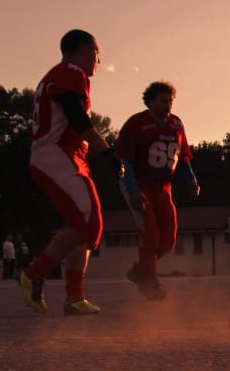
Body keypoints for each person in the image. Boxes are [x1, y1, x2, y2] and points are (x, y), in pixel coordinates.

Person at [19, 29, 144, 315]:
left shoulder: (59, 75)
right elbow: (76, 117)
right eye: (98, 53)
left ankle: (74, 297)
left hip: (64, 155)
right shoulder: (72, 72)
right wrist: (107, 151)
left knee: (85, 228)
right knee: (89, 221)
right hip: (56, 154)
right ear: (86, 49)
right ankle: (33, 274)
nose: (99, 60)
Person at [115, 81, 199, 300]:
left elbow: (182, 158)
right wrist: (133, 189)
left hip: (163, 187)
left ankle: (140, 271)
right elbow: (125, 160)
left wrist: (191, 180)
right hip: (139, 184)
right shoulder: (136, 123)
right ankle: (150, 284)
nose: (168, 105)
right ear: (150, 101)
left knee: (169, 239)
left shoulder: (177, 124)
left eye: (170, 100)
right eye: (163, 100)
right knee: (150, 235)